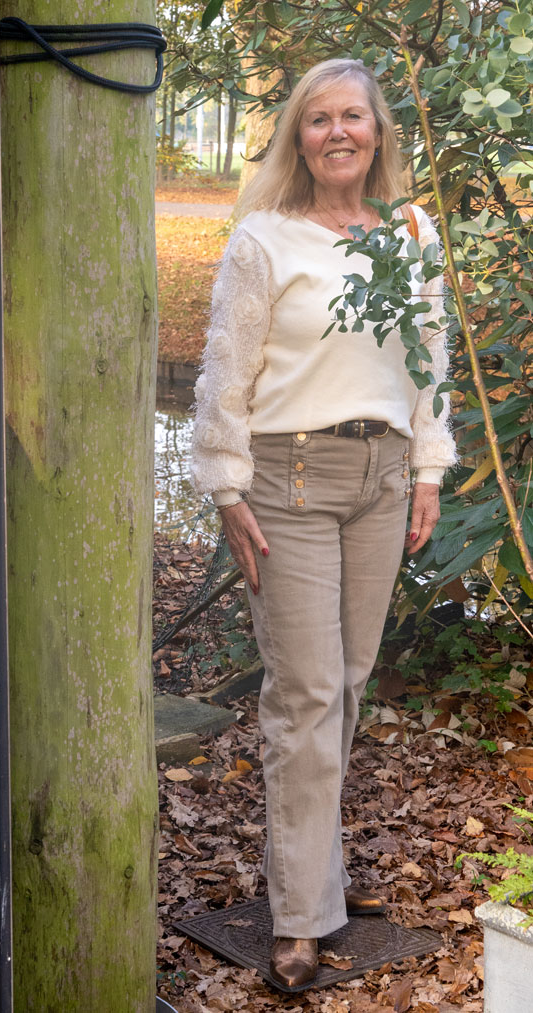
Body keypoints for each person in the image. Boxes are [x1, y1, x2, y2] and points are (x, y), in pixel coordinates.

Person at [190, 58, 457, 991]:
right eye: (317, 119)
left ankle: (314, 876)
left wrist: (427, 469)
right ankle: (300, 918)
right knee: (304, 693)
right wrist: (227, 488)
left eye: (353, 117)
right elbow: (226, 367)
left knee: (343, 683)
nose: (336, 132)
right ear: (296, 137)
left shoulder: (411, 231)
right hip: (289, 479)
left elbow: (429, 361)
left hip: (382, 478)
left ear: (379, 130)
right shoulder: (265, 239)